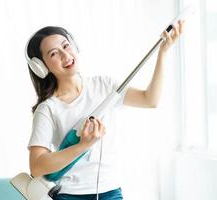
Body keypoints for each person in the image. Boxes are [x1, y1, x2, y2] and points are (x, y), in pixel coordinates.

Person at [26, 22, 184, 199]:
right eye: (54, 53)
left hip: (110, 191)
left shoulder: (104, 86)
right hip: (69, 195)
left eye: (66, 45)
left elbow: (150, 100)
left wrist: (163, 53)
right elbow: (37, 166)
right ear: (41, 67)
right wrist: (83, 145)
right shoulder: (48, 109)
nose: (65, 55)